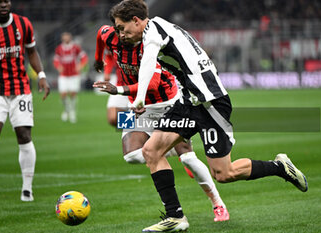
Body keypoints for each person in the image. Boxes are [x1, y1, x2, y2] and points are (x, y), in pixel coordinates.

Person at [110, 0, 308, 232]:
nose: (121, 34)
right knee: (151, 151)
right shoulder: (161, 28)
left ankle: (279, 167)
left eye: (122, 28)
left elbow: (147, 63)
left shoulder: (153, 32)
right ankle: (175, 217)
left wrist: (140, 98)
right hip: (187, 103)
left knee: (224, 174)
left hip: (211, 103)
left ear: (136, 21)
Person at [93, 24, 229, 222]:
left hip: (168, 104)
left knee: (188, 158)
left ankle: (218, 204)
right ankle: (160, 148)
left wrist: (118, 90)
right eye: (119, 29)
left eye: (126, 30)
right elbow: (99, 35)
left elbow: (153, 84)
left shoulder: (149, 47)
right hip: (137, 104)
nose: (123, 35)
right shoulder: (109, 35)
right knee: (131, 155)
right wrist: (99, 59)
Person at [0, 0, 50, 202]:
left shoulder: (23, 24)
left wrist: (41, 74)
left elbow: (31, 51)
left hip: (21, 88)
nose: (4, 5)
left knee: (24, 135)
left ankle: (27, 188)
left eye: (6, 1)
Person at [53, 32, 88, 123]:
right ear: (62, 38)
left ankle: (72, 112)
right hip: (63, 75)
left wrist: (80, 65)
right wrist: (58, 66)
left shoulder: (75, 47)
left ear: (70, 37)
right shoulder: (59, 49)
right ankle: (66, 110)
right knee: (63, 95)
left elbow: (84, 57)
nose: (66, 38)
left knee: (73, 94)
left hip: (74, 75)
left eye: (67, 37)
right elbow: (56, 60)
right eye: (64, 37)